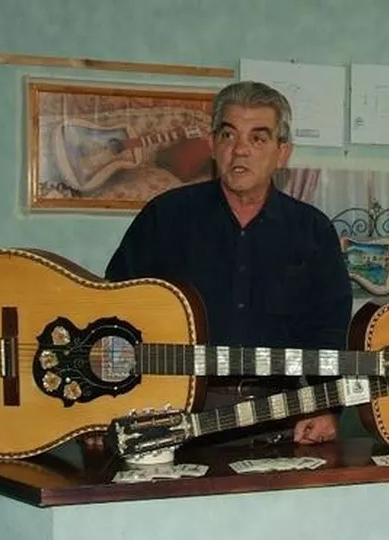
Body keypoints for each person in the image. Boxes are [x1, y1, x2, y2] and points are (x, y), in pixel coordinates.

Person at [104, 81, 353, 446]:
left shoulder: (312, 230)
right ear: (213, 145)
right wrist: (102, 405)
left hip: (280, 420)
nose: (240, 150)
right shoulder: (165, 218)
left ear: (282, 153)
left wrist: (326, 406)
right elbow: (112, 312)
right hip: (175, 415)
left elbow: (329, 332)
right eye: (229, 135)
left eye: (258, 138)